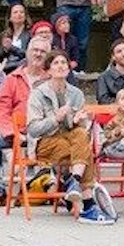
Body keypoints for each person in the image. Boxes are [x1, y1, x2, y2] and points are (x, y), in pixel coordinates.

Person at [0, 37, 48, 209]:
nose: (38, 54)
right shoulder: (13, 78)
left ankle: (56, 187)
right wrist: (13, 132)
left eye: (42, 51)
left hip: (44, 134)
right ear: (27, 52)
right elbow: (2, 108)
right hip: (16, 132)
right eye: (35, 50)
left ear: (47, 55)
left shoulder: (52, 79)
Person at [26, 52, 96, 217]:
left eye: (63, 62)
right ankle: (88, 203)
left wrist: (80, 120)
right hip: (45, 142)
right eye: (56, 63)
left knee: (80, 134)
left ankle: (74, 181)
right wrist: (55, 118)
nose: (60, 66)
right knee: (83, 151)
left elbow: (79, 127)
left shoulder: (76, 93)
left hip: (70, 138)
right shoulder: (38, 93)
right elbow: (33, 129)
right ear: (48, 70)